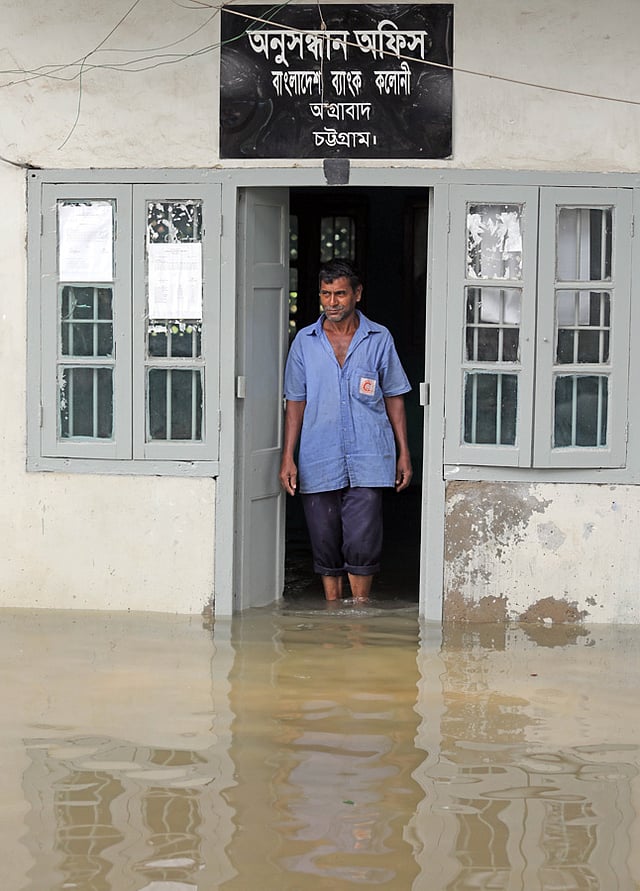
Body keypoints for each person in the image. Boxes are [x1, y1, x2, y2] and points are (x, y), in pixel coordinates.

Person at [279, 259, 413, 603]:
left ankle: (360, 618)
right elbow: (296, 401)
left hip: (370, 455)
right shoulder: (305, 343)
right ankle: (333, 615)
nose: (332, 302)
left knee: (363, 540)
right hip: (318, 455)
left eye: (340, 294)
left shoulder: (378, 338)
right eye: (325, 294)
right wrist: (287, 457)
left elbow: (394, 396)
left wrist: (404, 453)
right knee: (323, 540)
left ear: (357, 294)